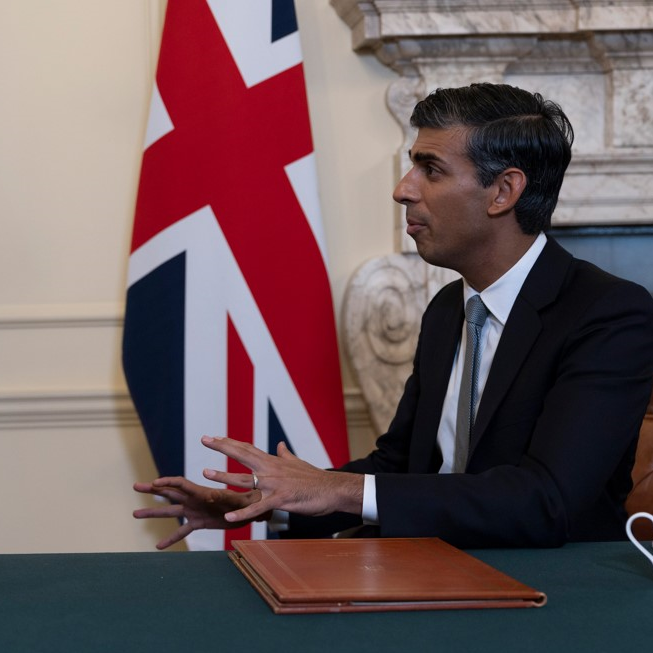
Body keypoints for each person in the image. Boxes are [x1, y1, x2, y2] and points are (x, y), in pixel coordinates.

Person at [133, 83, 653, 549]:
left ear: (503, 191)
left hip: (554, 595)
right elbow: (399, 468)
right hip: (431, 571)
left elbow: (548, 500)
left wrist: (338, 488)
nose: (403, 189)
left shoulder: (608, 314)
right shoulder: (448, 309)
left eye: (431, 169)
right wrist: (270, 503)